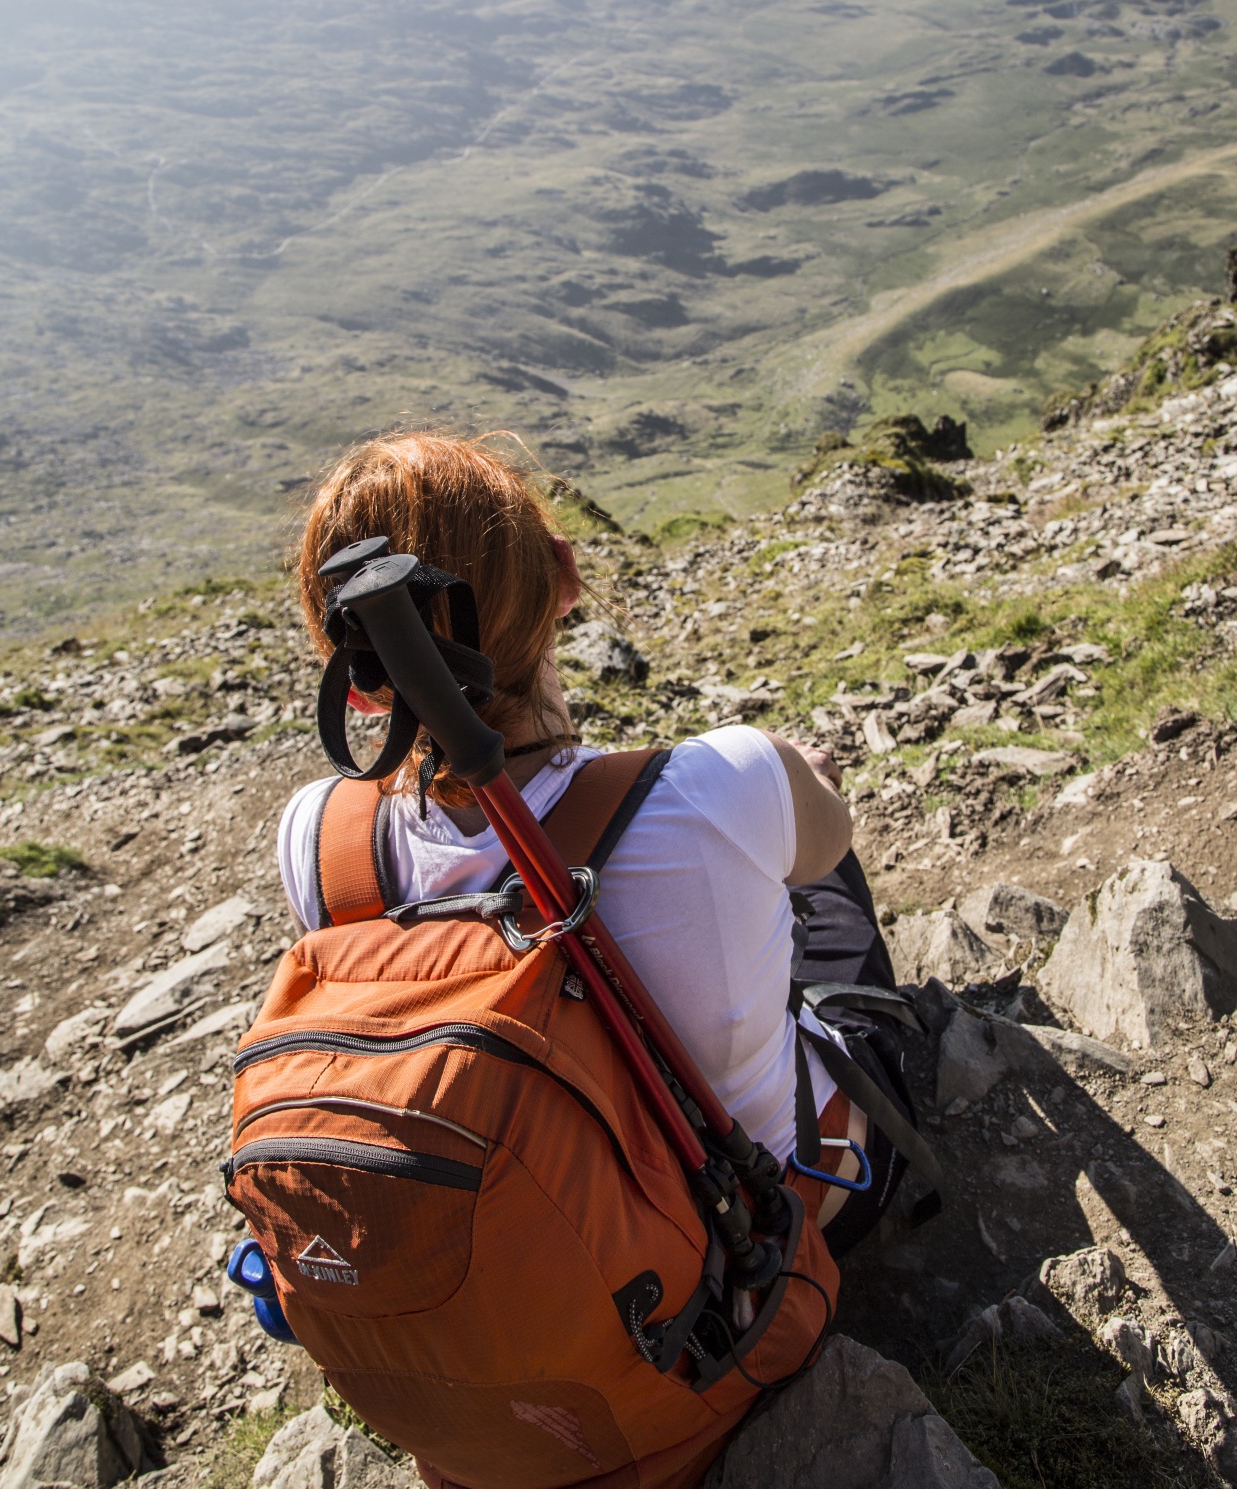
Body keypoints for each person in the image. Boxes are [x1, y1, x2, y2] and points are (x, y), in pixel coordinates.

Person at [278, 429, 894, 1241]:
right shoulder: (716, 787)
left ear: (357, 686)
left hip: (534, 1255)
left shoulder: (318, 838)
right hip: (756, 1245)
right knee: (819, 880)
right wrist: (789, 776)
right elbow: (830, 834)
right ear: (563, 578)